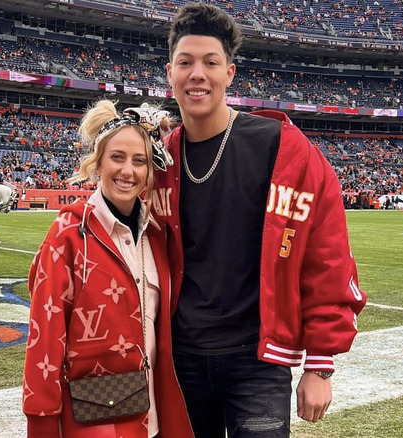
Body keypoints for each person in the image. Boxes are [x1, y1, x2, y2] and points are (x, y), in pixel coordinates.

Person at [152, 4, 367, 437]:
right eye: (186, 63)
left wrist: (320, 365)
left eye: (210, 63)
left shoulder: (283, 149)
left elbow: (326, 255)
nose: (198, 74)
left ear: (229, 73)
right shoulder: (157, 159)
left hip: (258, 361)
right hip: (179, 360)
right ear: (170, 72)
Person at [23, 100, 192, 438]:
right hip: (93, 419)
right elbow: (45, 334)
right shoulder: (68, 234)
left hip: (153, 414)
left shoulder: (157, 235)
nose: (128, 171)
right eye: (117, 157)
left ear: (149, 171)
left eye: (139, 161)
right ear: (98, 162)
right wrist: (40, 420)